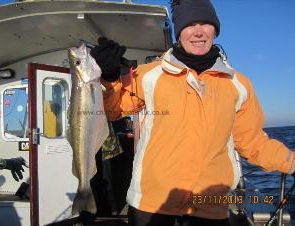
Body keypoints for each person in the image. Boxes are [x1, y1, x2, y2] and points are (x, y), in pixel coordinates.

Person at [90, 0, 295, 225]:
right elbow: (112, 110)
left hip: (210, 203)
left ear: (215, 30)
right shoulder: (148, 75)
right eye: (190, 25)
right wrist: (108, 80)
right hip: (152, 202)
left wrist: (291, 162)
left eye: (205, 24)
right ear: (179, 32)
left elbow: (252, 141)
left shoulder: (239, 84)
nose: (198, 32)